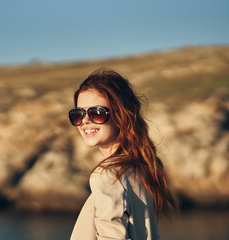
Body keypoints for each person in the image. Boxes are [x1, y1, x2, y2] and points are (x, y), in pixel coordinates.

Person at [68, 69, 176, 240]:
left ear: (121, 115)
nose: (85, 121)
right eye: (78, 114)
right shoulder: (142, 168)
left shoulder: (106, 175)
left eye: (97, 113)